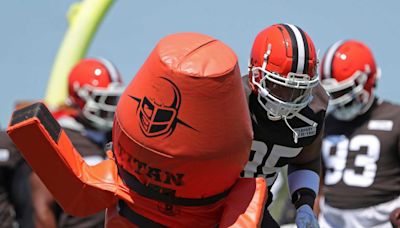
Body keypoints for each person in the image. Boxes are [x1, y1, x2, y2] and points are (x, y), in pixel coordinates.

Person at [242, 23, 329, 228]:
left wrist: (304, 205)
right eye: (278, 85)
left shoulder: (312, 110)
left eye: (297, 90)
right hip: (207, 206)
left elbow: (306, 160)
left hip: (256, 210)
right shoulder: (231, 102)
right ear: (256, 73)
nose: (287, 99)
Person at [30, 58, 125, 228]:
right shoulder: (59, 136)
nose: (110, 108)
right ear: (80, 96)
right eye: (105, 101)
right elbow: (42, 205)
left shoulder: (114, 136)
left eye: (113, 100)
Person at [318, 40, 400, 228]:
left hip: (382, 221)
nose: (340, 101)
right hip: (330, 220)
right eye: (334, 94)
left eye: (344, 92)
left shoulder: (395, 118)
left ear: (368, 81)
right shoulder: (326, 123)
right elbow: (317, 181)